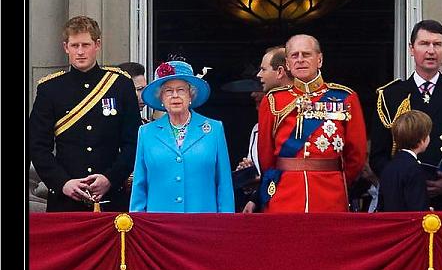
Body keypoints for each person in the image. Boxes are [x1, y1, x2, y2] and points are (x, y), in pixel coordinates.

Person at [29, 15, 142, 212]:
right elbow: (37, 146)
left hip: (112, 198)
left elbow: (133, 142)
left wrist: (110, 179)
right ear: (66, 47)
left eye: (85, 45)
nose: (80, 52)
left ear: (97, 45)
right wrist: (62, 183)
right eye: (74, 46)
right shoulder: (50, 88)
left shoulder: (119, 84)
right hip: (65, 201)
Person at [370, 19, 442, 211]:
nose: (431, 50)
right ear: (411, 49)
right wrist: (403, 178)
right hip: (403, 199)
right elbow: (378, 155)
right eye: (424, 44)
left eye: (437, 44)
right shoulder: (391, 95)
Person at [258, 34, 367, 213]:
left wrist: (338, 181)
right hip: (285, 195)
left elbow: (356, 155)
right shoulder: (273, 100)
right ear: (287, 63)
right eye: (294, 55)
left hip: (330, 194)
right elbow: (266, 155)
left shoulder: (346, 98)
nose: (300, 60)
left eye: (306, 54)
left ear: (320, 59)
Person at [129, 60, 234, 213]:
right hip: (159, 227)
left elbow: (224, 184)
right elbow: (140, 185)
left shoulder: (214, 130)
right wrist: (137, 226)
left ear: (191, 94)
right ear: (161, 99)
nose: (175, 95)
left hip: (202, 225)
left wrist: (225, 226)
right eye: (168, 91)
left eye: (181, 90)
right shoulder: (146, 133)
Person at [237, 46, 294, 213]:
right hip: (269, 200)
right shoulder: (258, 126)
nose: (259, 76)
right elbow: (267, 167)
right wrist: (250, 180)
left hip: (293, 197)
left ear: (280, 71)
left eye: (263, 69)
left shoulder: (302, 109)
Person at [378, 110, 432, 212]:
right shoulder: (415, 169)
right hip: (409, 225)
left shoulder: (389, 166)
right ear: (422, 140)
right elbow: (417, 209)